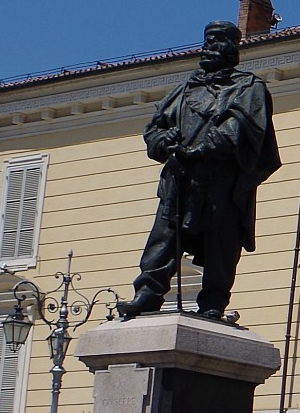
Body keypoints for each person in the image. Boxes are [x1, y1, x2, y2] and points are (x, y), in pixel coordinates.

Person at [119, 20, 282, 320]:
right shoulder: (183, 90)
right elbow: (154, 129)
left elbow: (242, 129)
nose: (208, 47)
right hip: (179, 178)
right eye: (207, 41)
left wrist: (200, 148)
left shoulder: (248, 88)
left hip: (222, 180)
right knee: (164, 238)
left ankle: (214, 302)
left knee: (221, 242)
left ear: (231, 49)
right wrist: (163, 141)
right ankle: (148, 293)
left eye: (216, 41)